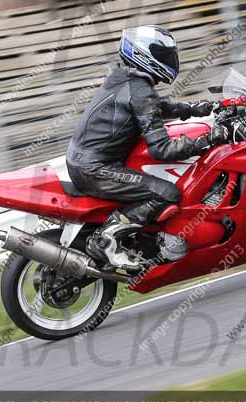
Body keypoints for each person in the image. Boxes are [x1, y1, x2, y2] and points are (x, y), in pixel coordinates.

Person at [66, 25, 229, 270]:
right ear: (144, 54)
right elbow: (162, 150)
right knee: (167, 194)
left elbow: (155, 107)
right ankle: (105, 238)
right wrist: (207, 141)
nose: (169, 60)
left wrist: (198, 108)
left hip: (83, 162)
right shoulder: (139, 89)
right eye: (162, 55)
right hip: (95, 168)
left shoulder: (125, 79)